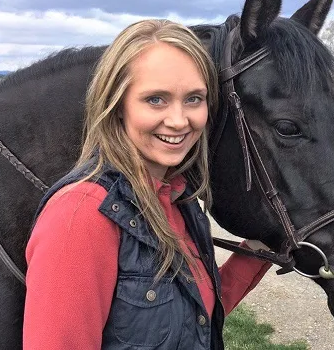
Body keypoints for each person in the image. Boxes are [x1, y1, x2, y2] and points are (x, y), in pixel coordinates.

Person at [23, 19, 272, 349]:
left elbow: (189, 319)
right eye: (156, 99)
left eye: (194, 98)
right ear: (117, 104)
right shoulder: (81, 217)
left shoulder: (179, 199)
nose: (180, 120)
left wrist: (256, 254)